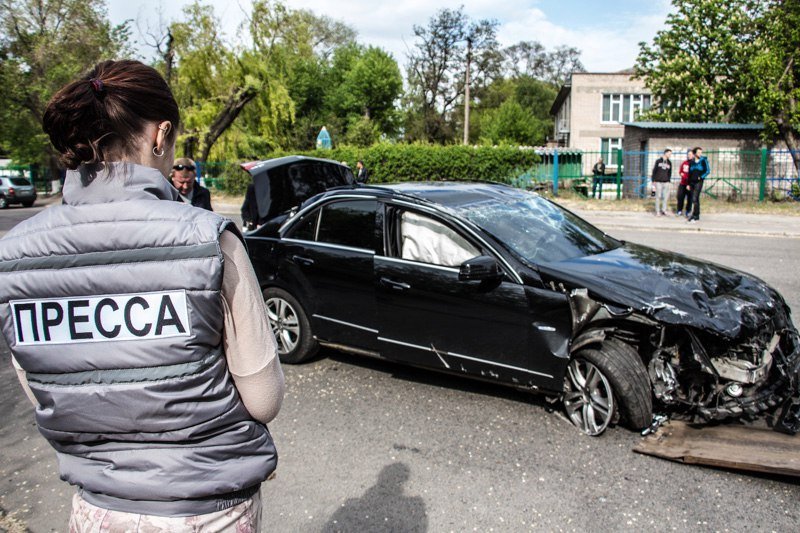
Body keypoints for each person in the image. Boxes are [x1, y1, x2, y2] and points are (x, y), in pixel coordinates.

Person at [0, 60, 283, 530]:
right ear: (161, 134)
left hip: (98, 508)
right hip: (206, 510)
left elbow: (44, 389)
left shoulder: (13, 254)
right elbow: (263, 398)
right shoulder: (208, 240)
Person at [687, 146, 711, 222]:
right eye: (698, 152)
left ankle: (694, 215)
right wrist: (688, 183)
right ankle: (696, 215)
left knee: (695, 197)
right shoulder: (691, 162)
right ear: (694, 153)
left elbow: (707, 171)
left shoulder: (703, 160)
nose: (700, 154)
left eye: (701, 152)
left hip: (698, 182)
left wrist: (701, 177)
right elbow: (689, 173)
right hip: (691, 182)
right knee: (694, 199)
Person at [651, 148, 672, 216]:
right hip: (658, 181)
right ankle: (657, 211)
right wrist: (653, 180)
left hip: (666, 182)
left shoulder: (669, 162)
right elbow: (654, 171)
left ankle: (664, 210)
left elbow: (669, 173)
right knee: (658, 196)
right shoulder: (658, 161)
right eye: (669, 153)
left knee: (665, 197)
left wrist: (669, 181)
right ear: (665, 153)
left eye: (670, 154)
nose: (670, 155)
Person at [676, 149, 693, 216]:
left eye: (691, 154)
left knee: (690, 198)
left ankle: (688, 211)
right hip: (683, 183)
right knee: (680, 197)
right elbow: (680, 171)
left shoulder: (694, 163)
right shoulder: (684, 163)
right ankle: (679, 210)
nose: (689, 156)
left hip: (690, 184)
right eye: (688, 154)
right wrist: (681, 174)